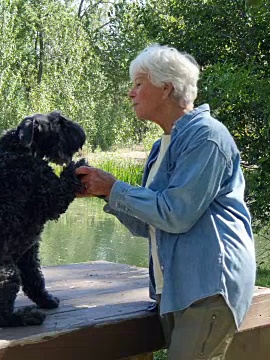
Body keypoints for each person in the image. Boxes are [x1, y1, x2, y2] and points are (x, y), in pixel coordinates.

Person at [75, 44, 256, 360]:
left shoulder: (207, 137)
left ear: (165, 88)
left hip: (208, 288)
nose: (131, 93)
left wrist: (116, 187)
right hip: (176, 290)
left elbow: (176, 214)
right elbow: (150, 224)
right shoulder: (162, 147)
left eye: (138, 84)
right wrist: (105, 192)